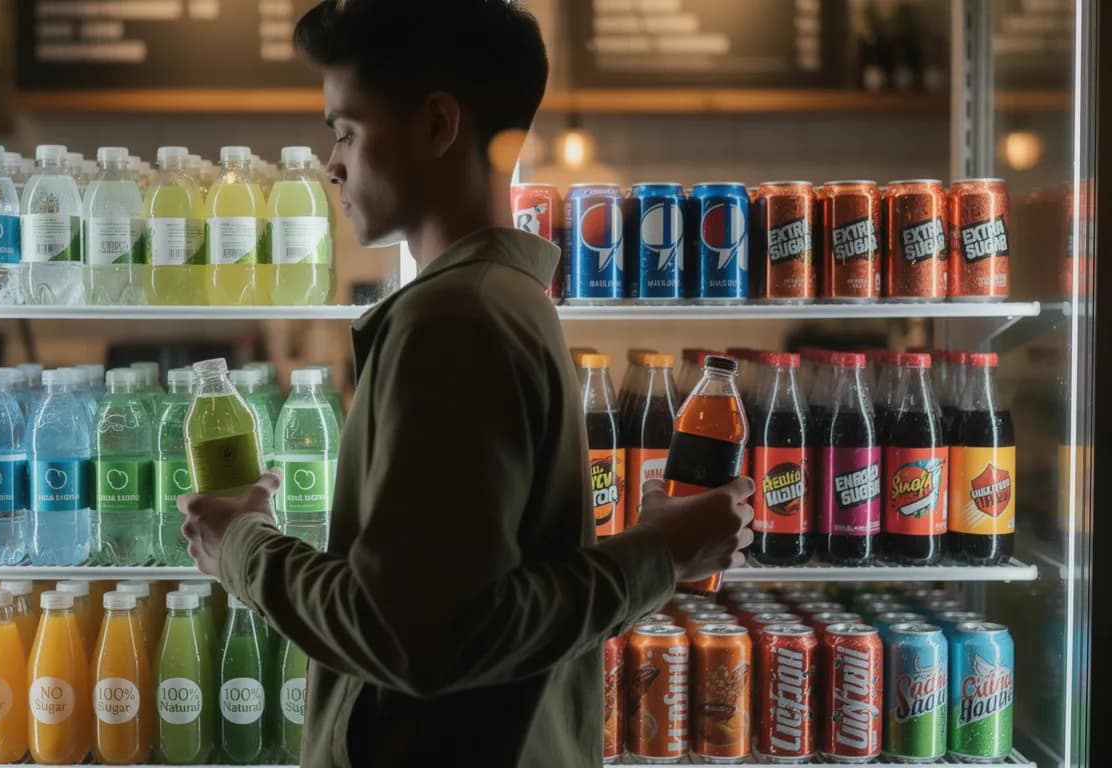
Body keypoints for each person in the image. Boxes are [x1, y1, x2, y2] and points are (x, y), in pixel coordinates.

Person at [178, 2, 755, 765]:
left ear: (438, 126)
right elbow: (490, 611)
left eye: (346, 130)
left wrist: (241, 547)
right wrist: (654, 555)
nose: (333, 164)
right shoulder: (508, 298)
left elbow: (418, 640)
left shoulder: (452, 320)